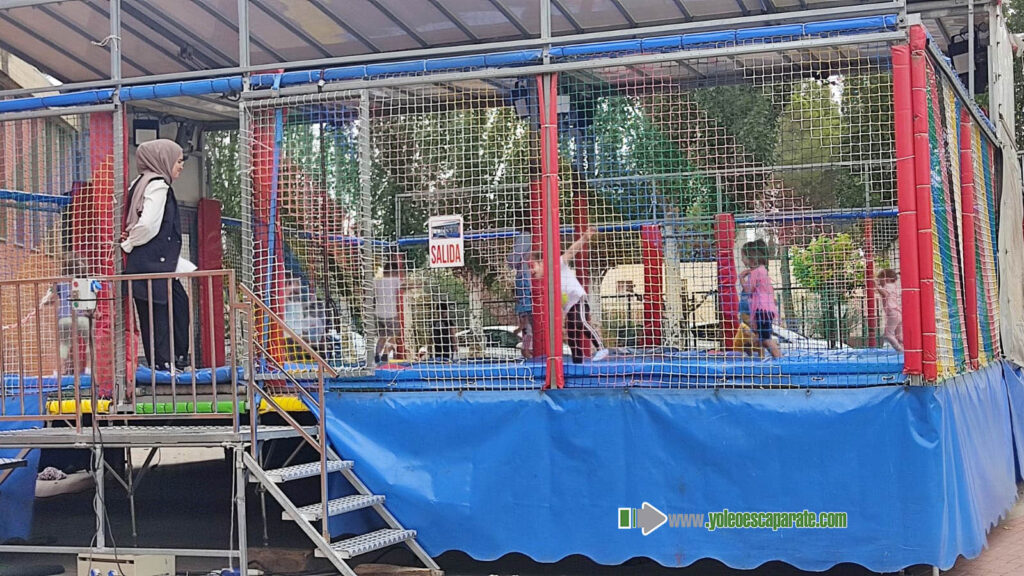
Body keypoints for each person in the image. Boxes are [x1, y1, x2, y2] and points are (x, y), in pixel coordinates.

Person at [119, 139, 193, 372]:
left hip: (154, 264)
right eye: (178, 161)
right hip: (152, 264)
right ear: (163, 160)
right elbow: (148, 224)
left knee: (169, 307)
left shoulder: (140, 183)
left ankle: (171, 361)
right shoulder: (158, 185)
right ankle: (166, 364)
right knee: (160, 313)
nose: (181, 166)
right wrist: (130, 243)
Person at [529, 227, 609, 364]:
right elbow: (559, 302)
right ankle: (577, 362)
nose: (531, 271)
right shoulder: (548, 282)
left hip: (579, 300)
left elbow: (571, 252)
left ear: (542, 262)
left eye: (533, 266)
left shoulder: (557, 265)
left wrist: (584, 238)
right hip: (569, 308)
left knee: (581, 322)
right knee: (572, 335)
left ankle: (601, 348)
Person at [41, 252, 91, 375]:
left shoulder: (59, 282)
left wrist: (44, 303)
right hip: (81, 317)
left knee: (64, 344)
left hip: (64, 317)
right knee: (89, 342)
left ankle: (59, 370)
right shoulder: (84, 282)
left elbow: (50, 297)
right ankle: (89, 368)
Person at [738, 239, 781, 359]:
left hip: (762, 310)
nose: (742, 260)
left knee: (765, 338)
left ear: (751, 258)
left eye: (743, 257)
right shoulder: (762, 270)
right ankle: (753, 344)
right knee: (760, 335)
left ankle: (779, 358)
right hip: (765, 309)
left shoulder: (756, 272)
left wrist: (741, 278)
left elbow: (748, 290)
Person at [507, 233, 534, 359]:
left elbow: (512, 260)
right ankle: (528, 348)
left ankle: (528, 349)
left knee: (528, 322)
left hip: (526, 280)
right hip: (527, 281)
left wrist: (519, 328)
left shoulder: (526, 237)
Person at [374, 257, 402, 364]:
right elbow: (404, 286)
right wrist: (417, 285)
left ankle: (377, 354)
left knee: (382, 335)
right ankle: (385, 353)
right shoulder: (394, 281)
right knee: (395, 334)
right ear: (393, 272)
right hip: (390, 314)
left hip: (378, 314)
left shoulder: (376, 281)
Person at [876, 268, 904, 352]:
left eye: (880, 280)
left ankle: (900, 350)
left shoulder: (888, 286)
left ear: (886, 279)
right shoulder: (895, 286)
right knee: (899, 336)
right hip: (898, 313)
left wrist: (876, 286)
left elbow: (885, 294)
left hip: (893, 313)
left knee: (888, 335)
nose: (879, 282)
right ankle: (907, 349)